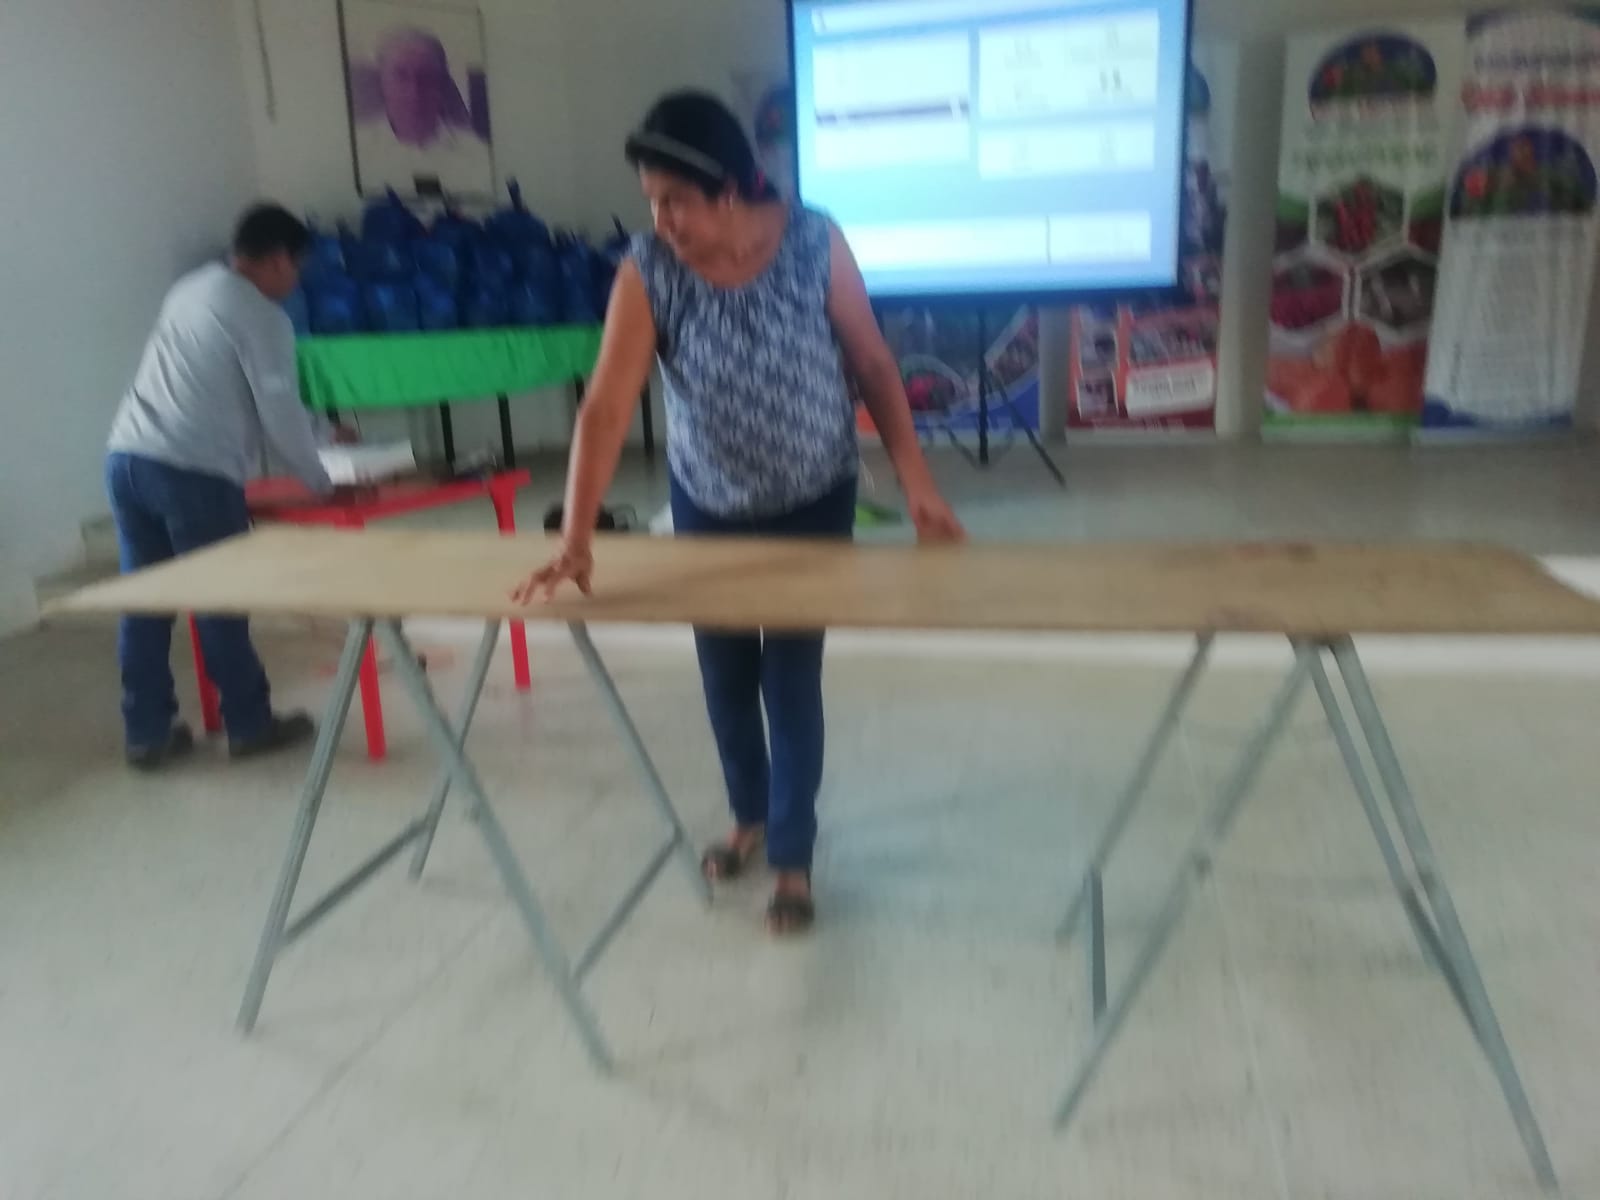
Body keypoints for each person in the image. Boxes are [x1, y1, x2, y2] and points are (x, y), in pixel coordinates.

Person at [514, 92, 963, 935]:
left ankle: (792, 855)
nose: (661, 220)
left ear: (729, 191)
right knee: (725, 676)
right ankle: (748, 817)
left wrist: (917, 483)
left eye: (675, 201)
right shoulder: (650, 270)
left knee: (790, 677)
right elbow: (606, 407)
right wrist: (576, 536)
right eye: (652, 203)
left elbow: (871, 362)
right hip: (709, 501)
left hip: (813, 496)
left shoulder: (813, 242)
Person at [106, 204, 334, 769]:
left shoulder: (190, 288)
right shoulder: (261, 316)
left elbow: (229, 388)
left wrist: (326, 431)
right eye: (296, 266)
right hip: (193, 472)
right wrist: (320, 480)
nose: (295, 279)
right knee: (221, 600)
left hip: (127, 457)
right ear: (277, 260)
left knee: (146, 601)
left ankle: (147, 732)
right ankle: (249, 724)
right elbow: (278, 414)